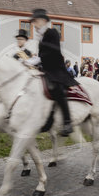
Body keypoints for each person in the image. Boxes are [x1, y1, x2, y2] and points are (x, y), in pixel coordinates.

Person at [28, 8, 78, 136]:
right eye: (33, 22)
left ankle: (68, 123)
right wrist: (33, 62)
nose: (34, 24)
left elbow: (54, 51)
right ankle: (46, 119)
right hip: (46, 70)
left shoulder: (53, 32)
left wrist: (36, 59)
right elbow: (42, 55)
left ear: (44, 21)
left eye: (36, 21)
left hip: (57, 70)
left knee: (57, 89)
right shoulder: (40, 38)